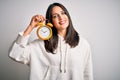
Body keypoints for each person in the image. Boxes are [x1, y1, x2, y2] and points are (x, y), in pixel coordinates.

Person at [9, 2, 93, 80]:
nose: (61, 17)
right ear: (50, 21)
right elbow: (15, 53)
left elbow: (87, 74)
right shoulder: (40, 44)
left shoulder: (83, 44)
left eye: (63, 13)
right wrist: (31, 26)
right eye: (55, 16)